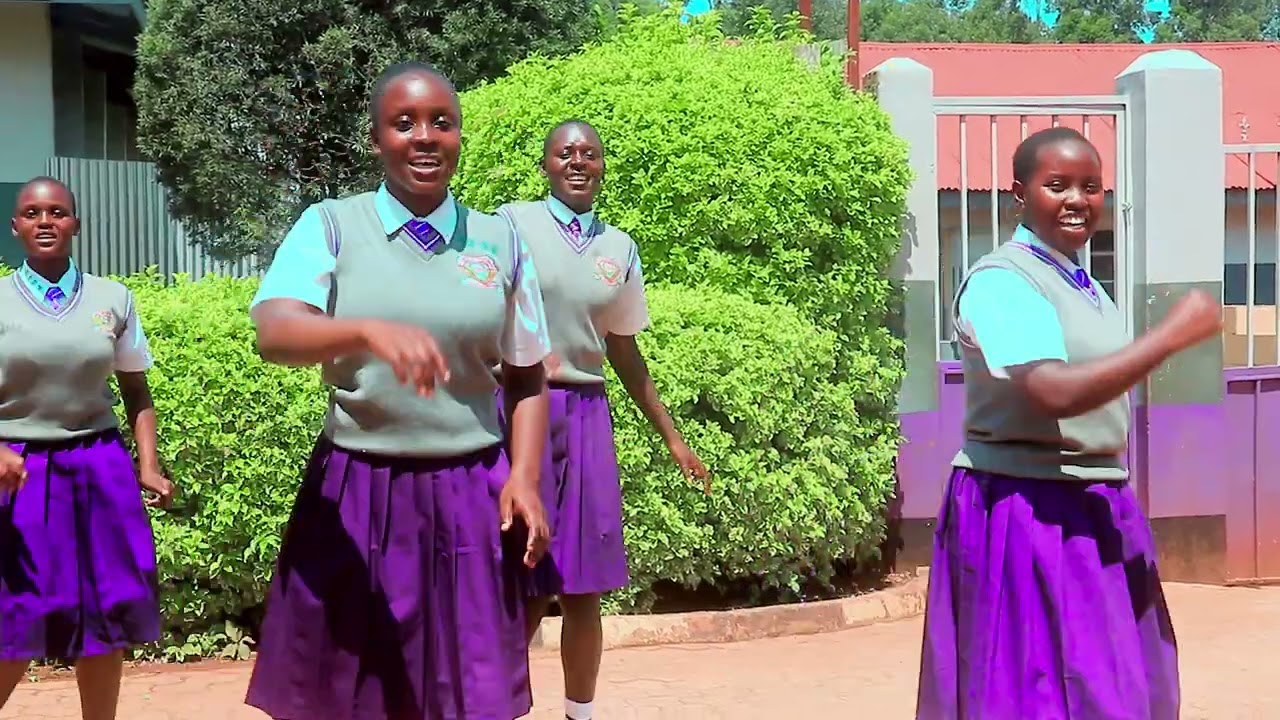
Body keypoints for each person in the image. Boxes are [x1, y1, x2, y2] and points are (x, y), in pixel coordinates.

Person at [243, 61, 554, 720]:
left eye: (442, 122)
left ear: (460, 135)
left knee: (465, 692)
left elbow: (527, 373)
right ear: (375, 138)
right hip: (358, 491)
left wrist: (524, 477)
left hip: (470, 493)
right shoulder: (331, 226)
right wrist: (364, 330)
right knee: (350, 692)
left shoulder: (500, 241)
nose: (424, 137)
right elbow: (274, 331)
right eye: (403, 122)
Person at [915, 126, 1221, 719]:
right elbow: (1053, 390)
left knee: (1123, 683)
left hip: (1093, 502)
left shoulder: (1081, 283)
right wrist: (1169, 337)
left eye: (1091, 186)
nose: (1077, 199)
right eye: (1057, 185)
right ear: (1019, 195)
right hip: (1024, 508)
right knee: (1031, 692)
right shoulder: (1002, 282)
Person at [495, 120, 709, 720]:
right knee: (520, 580)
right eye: (565, 153)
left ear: (602, 166)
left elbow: (623, 349)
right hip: (521, 410)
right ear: (546, 164)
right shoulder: (511, 226)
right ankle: (492, 707)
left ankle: (579, 713)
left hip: (586, 417)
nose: (577, 162)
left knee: (583, 588)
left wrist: (673, 438)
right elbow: (478, 309)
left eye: (589, 153)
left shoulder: (619, 249)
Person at [0, 177, 174, 720]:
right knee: (14, 614)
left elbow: (136, 389)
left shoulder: (112, 299)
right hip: (18, 471)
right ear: (15, 226)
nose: (45, 221)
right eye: (32, 213)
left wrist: (148, 464)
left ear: (75, 223)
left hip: (99, 467)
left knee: (106, 614)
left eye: (57, 212)